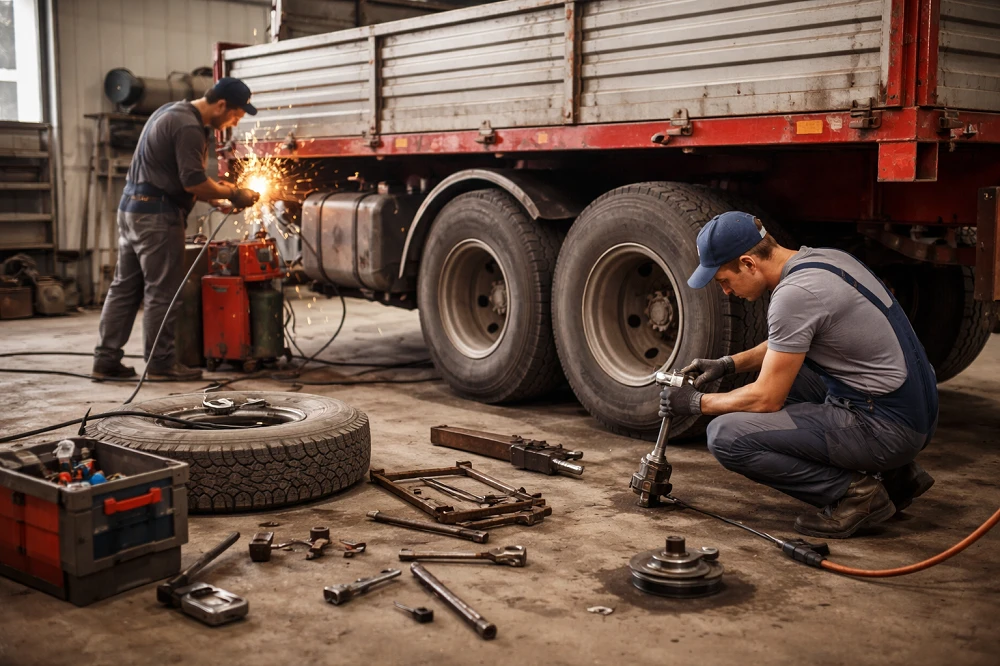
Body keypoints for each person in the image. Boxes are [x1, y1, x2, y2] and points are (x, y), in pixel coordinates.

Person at [660, 211, 938, 538]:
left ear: (749, 263)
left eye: (724, 280)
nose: (726, 291)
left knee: (727, 436)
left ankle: (859, 495)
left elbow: (765, 399)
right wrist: (727, 363)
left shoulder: (793, 296)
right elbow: (789, 341)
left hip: (890, 427)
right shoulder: (824, 260)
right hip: (914, 410)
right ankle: (898, 477)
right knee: (792, 373)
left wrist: (696, 403)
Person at [92, 77, 260, 381]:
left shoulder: (170, 111)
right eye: (236, 114)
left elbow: (172, 175)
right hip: (157, 218)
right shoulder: (189, 128)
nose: (234, 122)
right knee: (163, 292)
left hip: (131, 210)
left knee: (125, 288)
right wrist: (232, 193)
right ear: (221, 105)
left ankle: (105, 360)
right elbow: (192, 181)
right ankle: (161, 364)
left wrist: (217, 196)